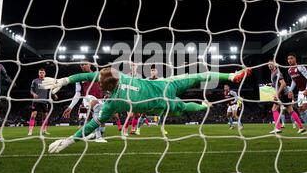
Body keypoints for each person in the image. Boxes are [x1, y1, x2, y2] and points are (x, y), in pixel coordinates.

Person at [43, 67, 252, 153]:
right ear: (114, 80)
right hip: (166, 85)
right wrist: (65, 80)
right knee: (198, 74)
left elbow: (92, 124)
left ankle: (205, 104)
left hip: (160, 101)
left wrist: (69, 140)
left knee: (183, 107)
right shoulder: (118, 78)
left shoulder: (111, 103)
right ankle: (230, 76)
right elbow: (87, 77)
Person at [62, 62, 106, 142]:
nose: (83, 66)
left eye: (85, 64)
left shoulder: (98, 74)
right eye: (81, 65)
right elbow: (78, 93)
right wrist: (70, 107)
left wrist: (107, 93)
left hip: (100, 98)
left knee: (102, 120)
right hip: (88, 98)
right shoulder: (79, 78)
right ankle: (98, 137)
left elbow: (104, 86)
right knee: (97, 107)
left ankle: (97, 134)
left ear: (90, 64)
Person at [268, 60, 305, 134]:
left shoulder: (277, 72)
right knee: (290, 110)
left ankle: (277, 128)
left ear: (275, 65)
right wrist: (272, 84)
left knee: (274, 109)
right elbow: (278, 83)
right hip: (284, 93)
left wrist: (278, 94)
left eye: (271, 64)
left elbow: (283, 84)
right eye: (268, 64)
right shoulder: (273, 73)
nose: (269, 65)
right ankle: (301, 127)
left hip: (282, 94)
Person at [28, 68, 57, 136]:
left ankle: (44, 130)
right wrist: (33, 94)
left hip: (44, 101)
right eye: (40, 72)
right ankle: (30, 131)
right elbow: (31, 90)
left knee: (46, 116)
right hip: (36, 101)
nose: (41, 74)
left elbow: (50, 90)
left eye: (43, 73)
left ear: (45, 73)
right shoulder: (35, 81)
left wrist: (54, 94)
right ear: (38, 73)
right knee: (33, 115)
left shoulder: (47, 81)